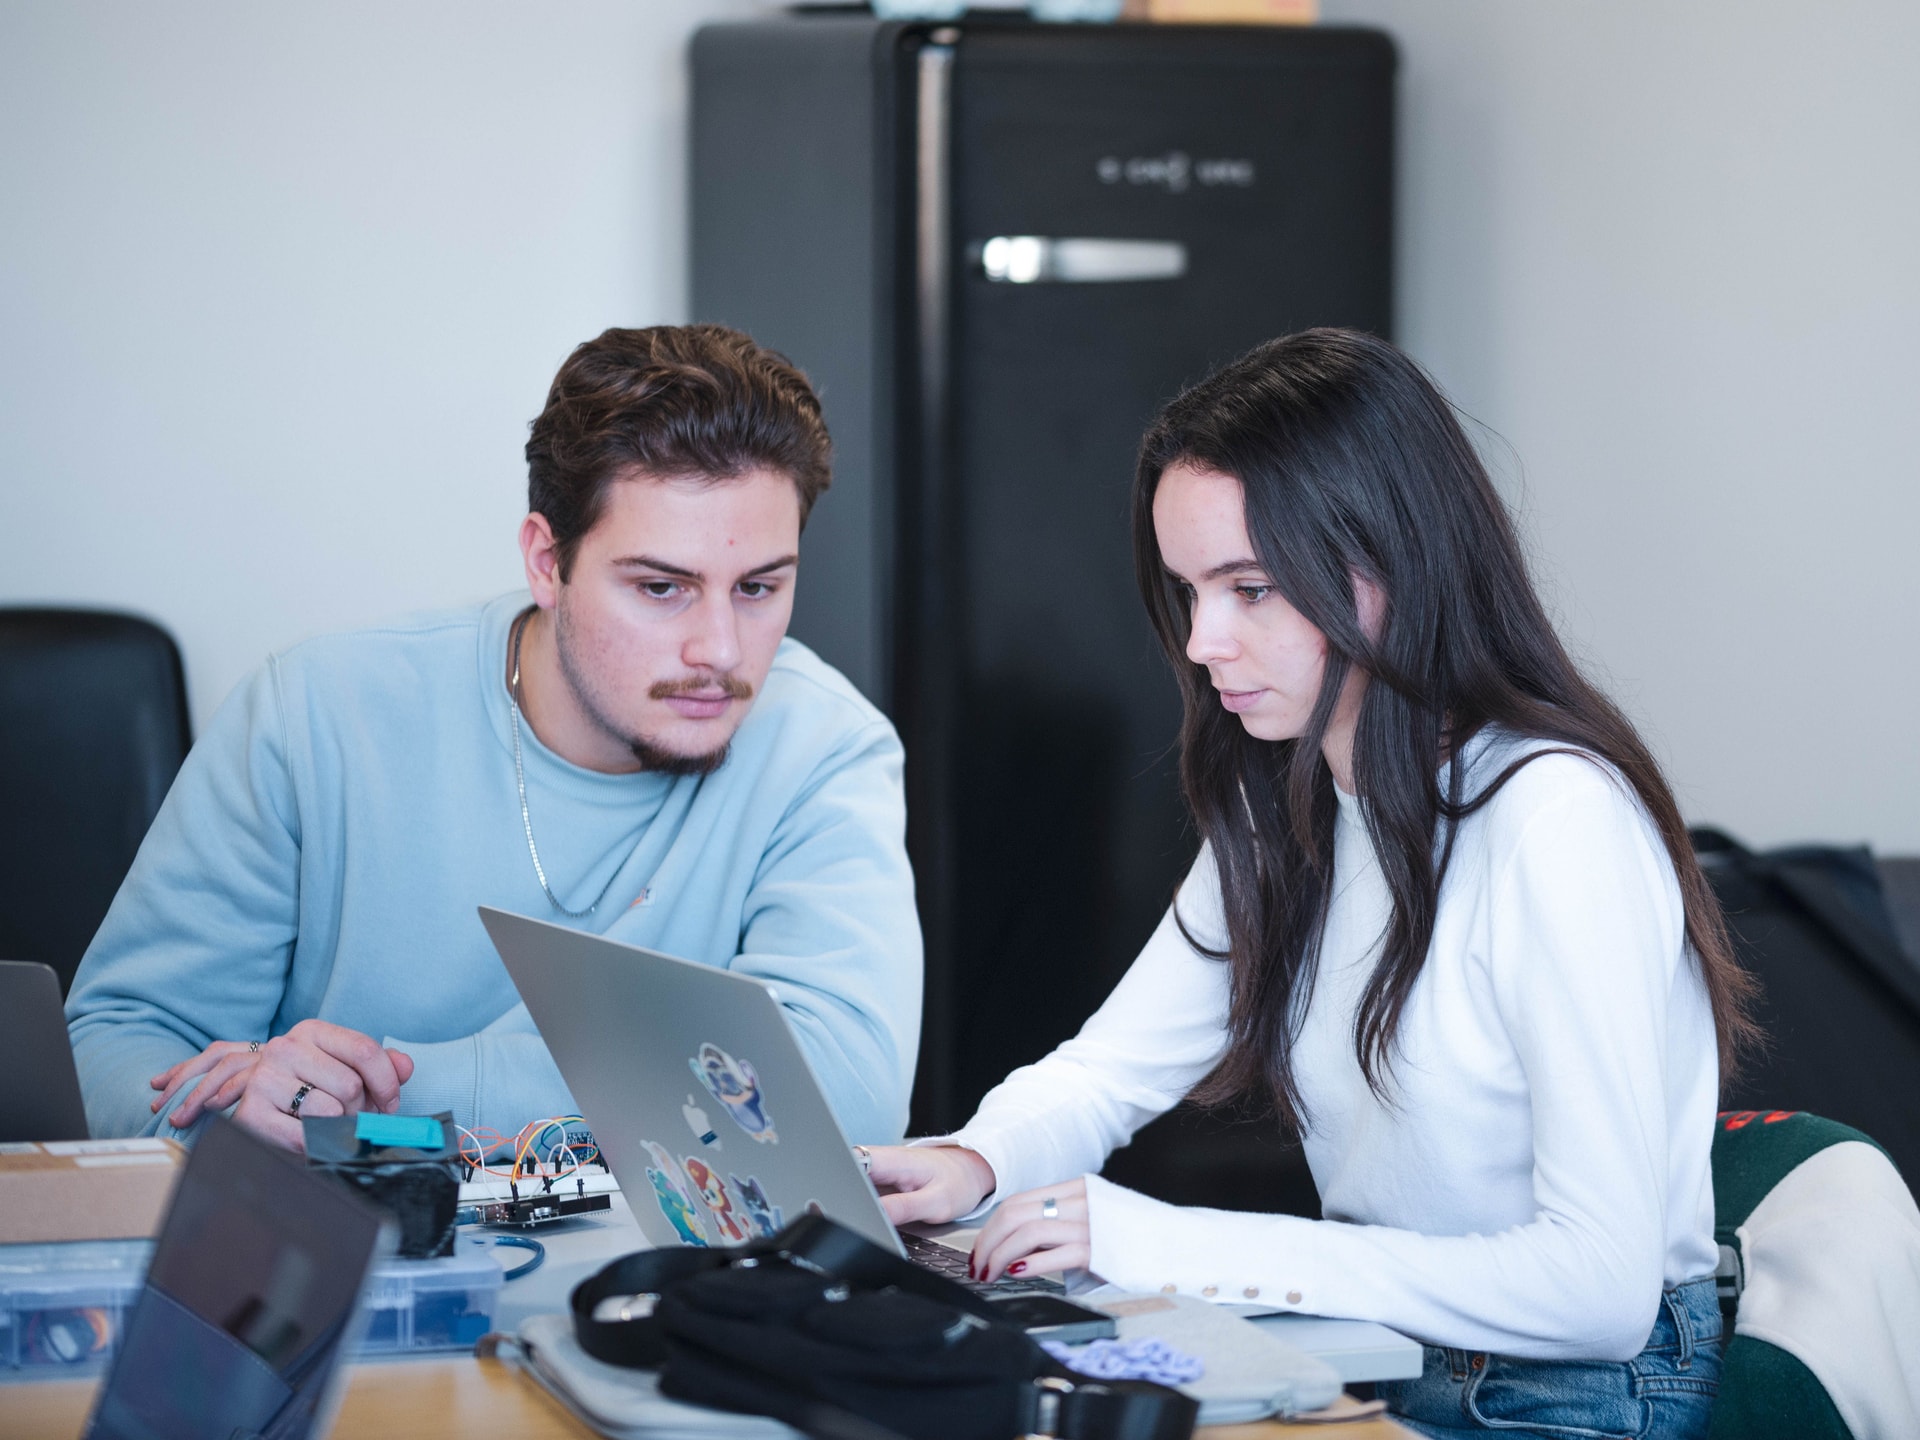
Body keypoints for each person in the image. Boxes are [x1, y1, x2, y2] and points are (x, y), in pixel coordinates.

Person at [868, 329, 1754, 1440]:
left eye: (1250, 589)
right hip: (1378, 1350)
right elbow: (1110, 1072)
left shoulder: (1556, 818)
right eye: (1190, 591)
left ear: (1395, 566)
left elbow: (1599, 1289)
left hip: (1571, 1394)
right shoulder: (1289, 801)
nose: (1204, 642)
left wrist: (1165, 1242)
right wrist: (969, 1161)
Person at [66, 324, 922, 1154]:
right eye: (662, 588)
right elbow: (111, 1045)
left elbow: (847, 1094)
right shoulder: (315, 715)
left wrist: (375, 1101)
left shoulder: (824, 746)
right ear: (547, 562)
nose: (722, 652)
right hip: (331, 1244)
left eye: (759, 588)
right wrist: (229, 1111)